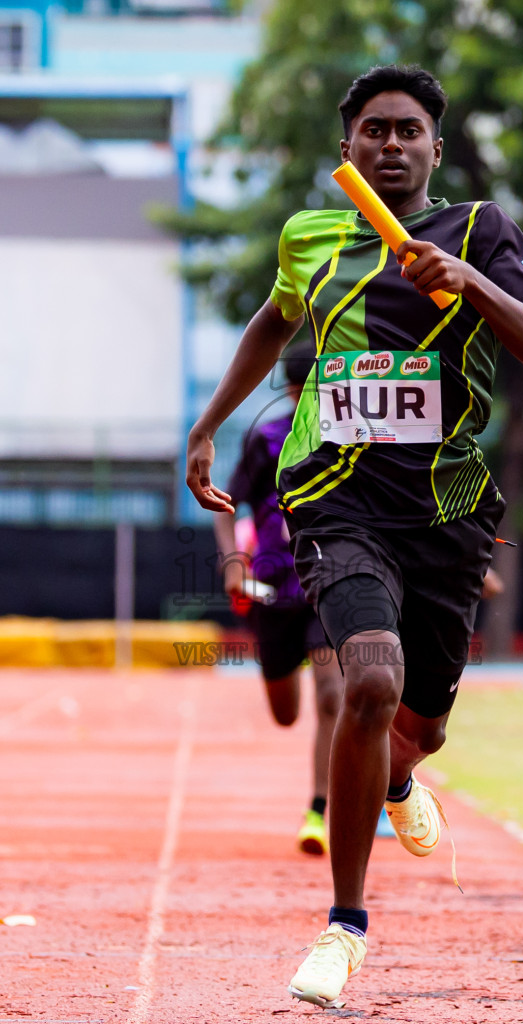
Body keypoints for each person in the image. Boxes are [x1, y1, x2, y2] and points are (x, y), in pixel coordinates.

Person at [184, 64, 523, 1008]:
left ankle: (397, 780)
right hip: (333, 499)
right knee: (369, 681)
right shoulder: (309, 238)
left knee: (420, 727)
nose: (389, 145)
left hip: (444, 512)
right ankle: (344, 926)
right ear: (345, 147)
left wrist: (468, 283)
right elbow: (271, 327)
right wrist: (207, 427)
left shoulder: (482, 233)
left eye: (408, 132)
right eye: (372, 131)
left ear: (435, 148)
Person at [213, 342, 345, 855]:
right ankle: (320, 796)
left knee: (332, 693)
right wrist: (232, 561)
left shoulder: (349, 437)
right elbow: (226, 503)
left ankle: (318, 810)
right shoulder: (267, 438)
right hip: (273, 588)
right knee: (286, 713)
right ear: (294, 389)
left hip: (329, 583)